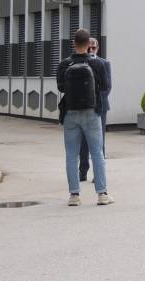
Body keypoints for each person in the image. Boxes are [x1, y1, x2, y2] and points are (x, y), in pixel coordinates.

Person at [56, 29, 113, 206]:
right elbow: (105, 86)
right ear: (89, 44)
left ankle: (74, 195)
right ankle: (102, 194)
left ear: (74, 43)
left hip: (70, 113)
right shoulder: (97, 64)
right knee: (97, 152)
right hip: (92, 113)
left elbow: (61, 87)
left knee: (71, 154)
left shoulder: (64, 64)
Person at [78, 37, 111, 183]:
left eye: (94, 47)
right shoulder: (79, 63)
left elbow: (107, 87)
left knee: (99, 140)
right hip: (83, 108)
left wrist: (95, 102)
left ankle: (98, 174)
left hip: (100, 107)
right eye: (89, 47)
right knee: (83, 140)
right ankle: (82, 171)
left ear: (98, 48)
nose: (91, 50)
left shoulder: (104, 63)